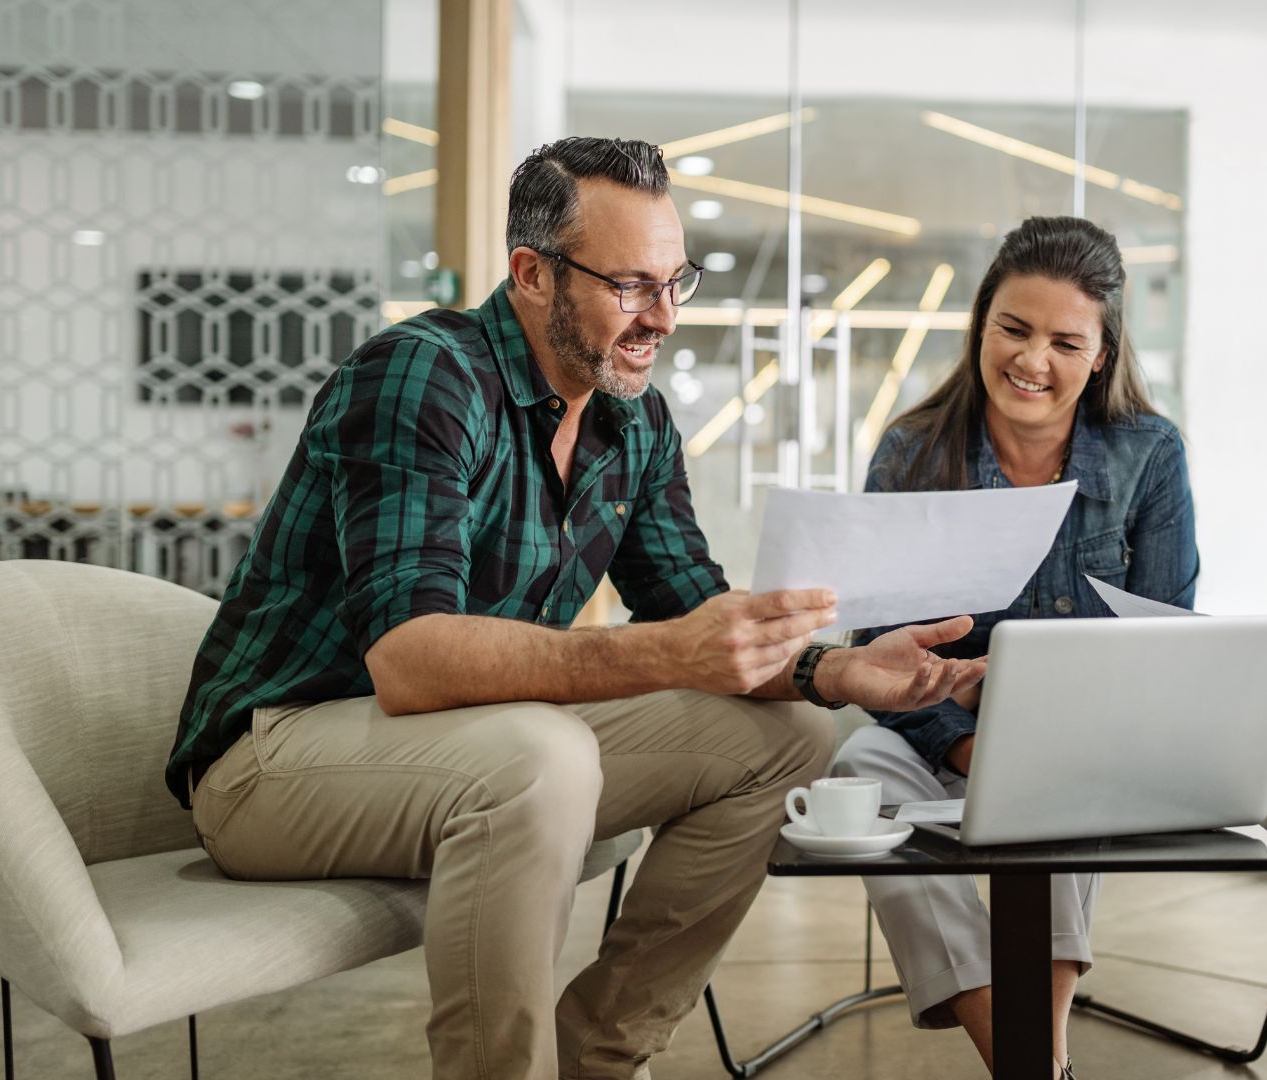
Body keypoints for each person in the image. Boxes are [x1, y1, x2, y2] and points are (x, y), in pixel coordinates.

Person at [163, 136, 984, 1080]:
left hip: (476, 749)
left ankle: (600, 1058)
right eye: (632, 286)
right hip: (274, 760)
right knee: (540, 754)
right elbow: (408, 658)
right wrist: (668, 654)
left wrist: (838, 669)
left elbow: (692, 608)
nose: (664, 318)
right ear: (531, 274)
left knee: (792, 736)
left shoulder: (631, 420)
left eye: (678, 283)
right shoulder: (421, 376)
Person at [830, 216, 1199, 1080]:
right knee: (859, 771)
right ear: (981, 326)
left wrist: (1036, 731)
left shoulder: (1151, 455)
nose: (1034, 361)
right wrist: (961, 742)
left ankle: (1039, 1055)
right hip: (942, 733)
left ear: (1101, 354)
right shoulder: (914, 451)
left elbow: (1166, 640)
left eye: (1066, 342)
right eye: (1015, 330)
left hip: (1080, 746)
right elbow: (875, 648)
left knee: (1058, 772)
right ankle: (1031, 1063)